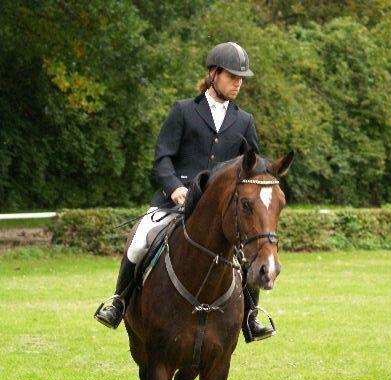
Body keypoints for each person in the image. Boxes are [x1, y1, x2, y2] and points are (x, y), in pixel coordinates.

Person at [94, 42, 274, 342]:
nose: (238, 83)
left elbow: (253, 166)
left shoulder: (244, 121)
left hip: (219, 212)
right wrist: (175, 186)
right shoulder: (184, 111)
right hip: (175, 201)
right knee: (139, 242)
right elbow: (162, 158)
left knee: (248, 254)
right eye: (232, 76)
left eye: (241, 78)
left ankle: (251, 317)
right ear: (213, 74)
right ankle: (119, 302)